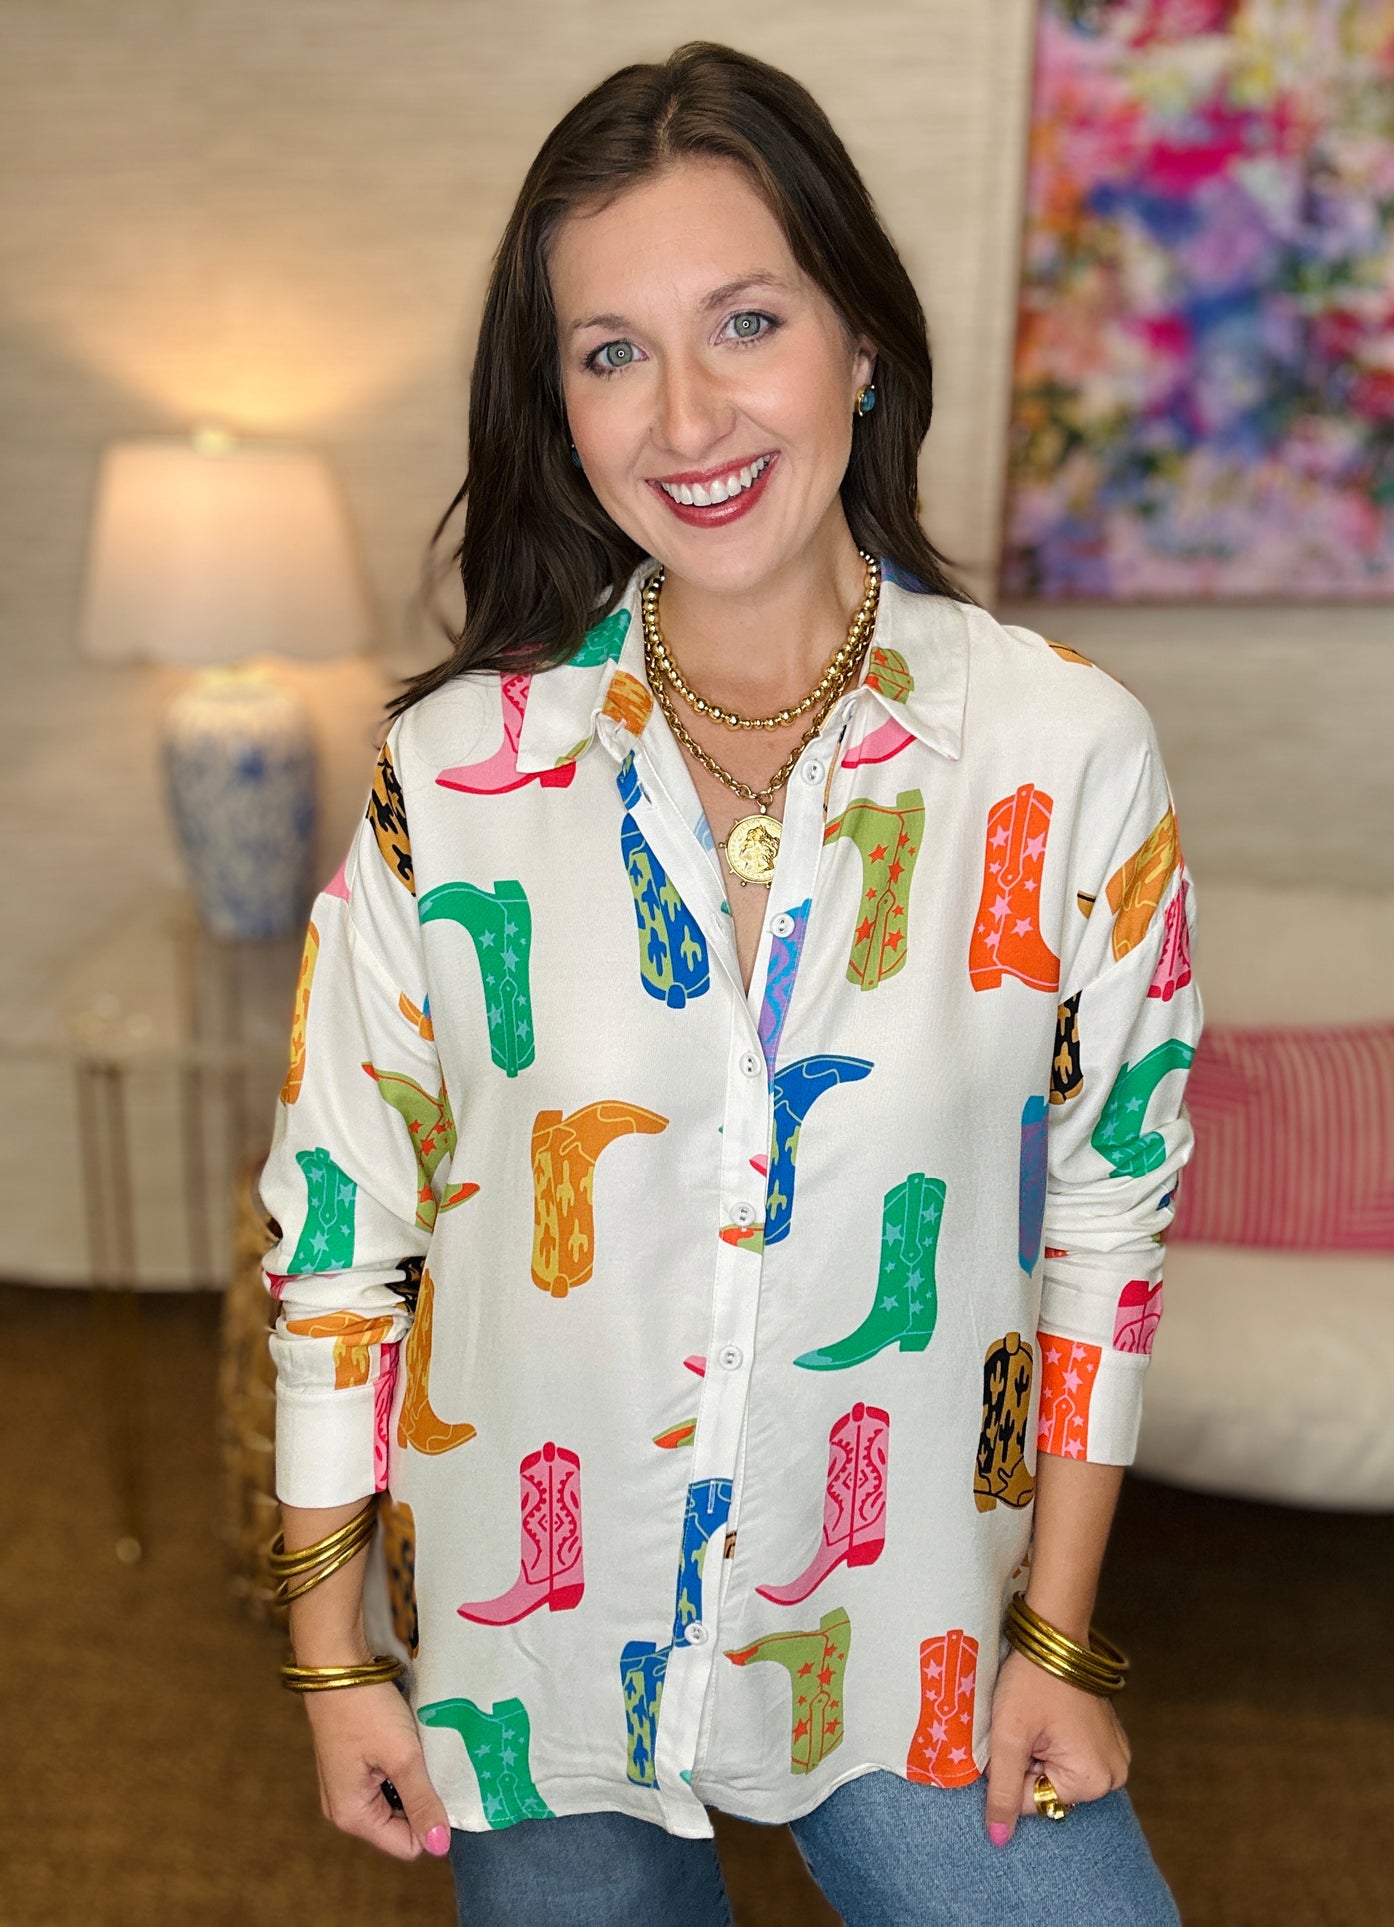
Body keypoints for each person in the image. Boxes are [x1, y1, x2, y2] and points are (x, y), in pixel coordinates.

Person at [258, 40, 1201, 1926]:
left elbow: (1109, 1212)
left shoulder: (1063, 750)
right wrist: (333, 1646)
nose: (685, 416)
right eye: (610, 352)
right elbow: (340, 1227)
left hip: (911, 1639)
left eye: (744, 322)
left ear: (860, 342)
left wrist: (1062, 1645)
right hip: (542, 1666)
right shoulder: (451, 778)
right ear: (559, 408)